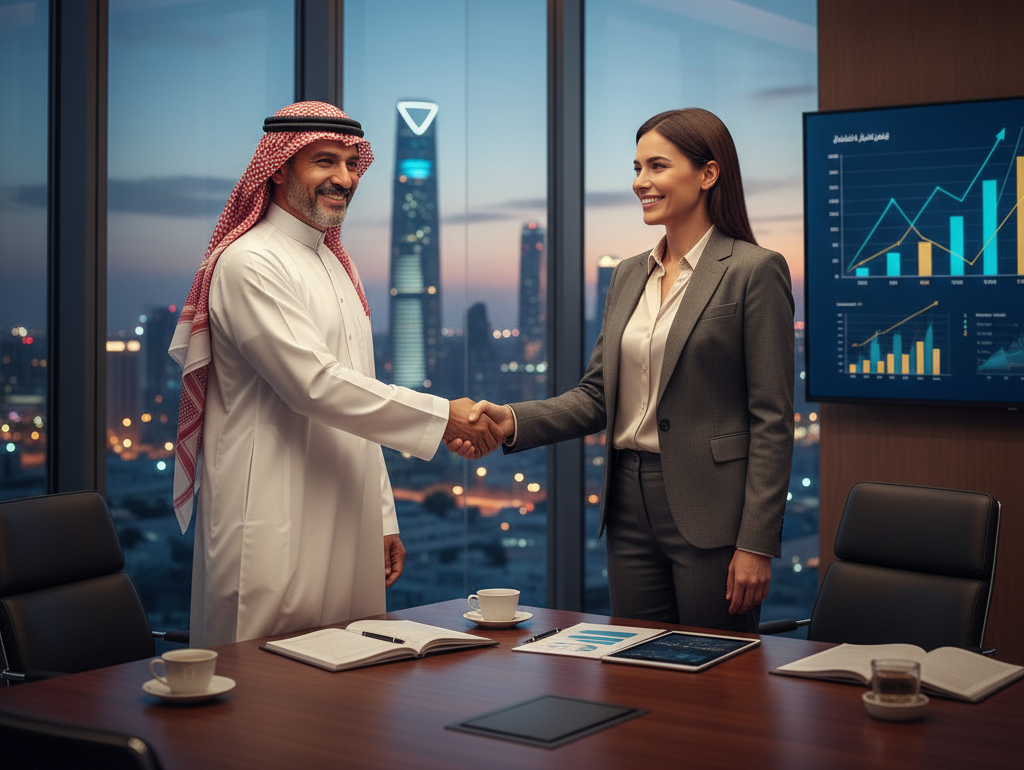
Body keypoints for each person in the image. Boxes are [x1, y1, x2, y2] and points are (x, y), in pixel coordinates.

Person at [169, 100, 503, 646]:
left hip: (348, 518)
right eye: (325, 161)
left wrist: (383, 516)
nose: (344, 178)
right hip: (272, 514)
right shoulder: (251, 261)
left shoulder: (337, 268)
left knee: (353, 680)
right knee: (265, 691)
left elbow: (358, 400)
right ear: (278, 168)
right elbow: (315, 385)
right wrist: (445, 416)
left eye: (352, 164)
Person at [469, 108, 794, 631]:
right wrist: (510, 419)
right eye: (637, 167)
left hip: (712, 508)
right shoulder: (627, 274)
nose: (640, 182)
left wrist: (757, 542)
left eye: (657, 167)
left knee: (714, 673)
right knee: (637, 671)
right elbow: (598, 394)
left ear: (708, 174)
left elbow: (773, 420)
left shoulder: (754, 271)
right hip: (626, 500)